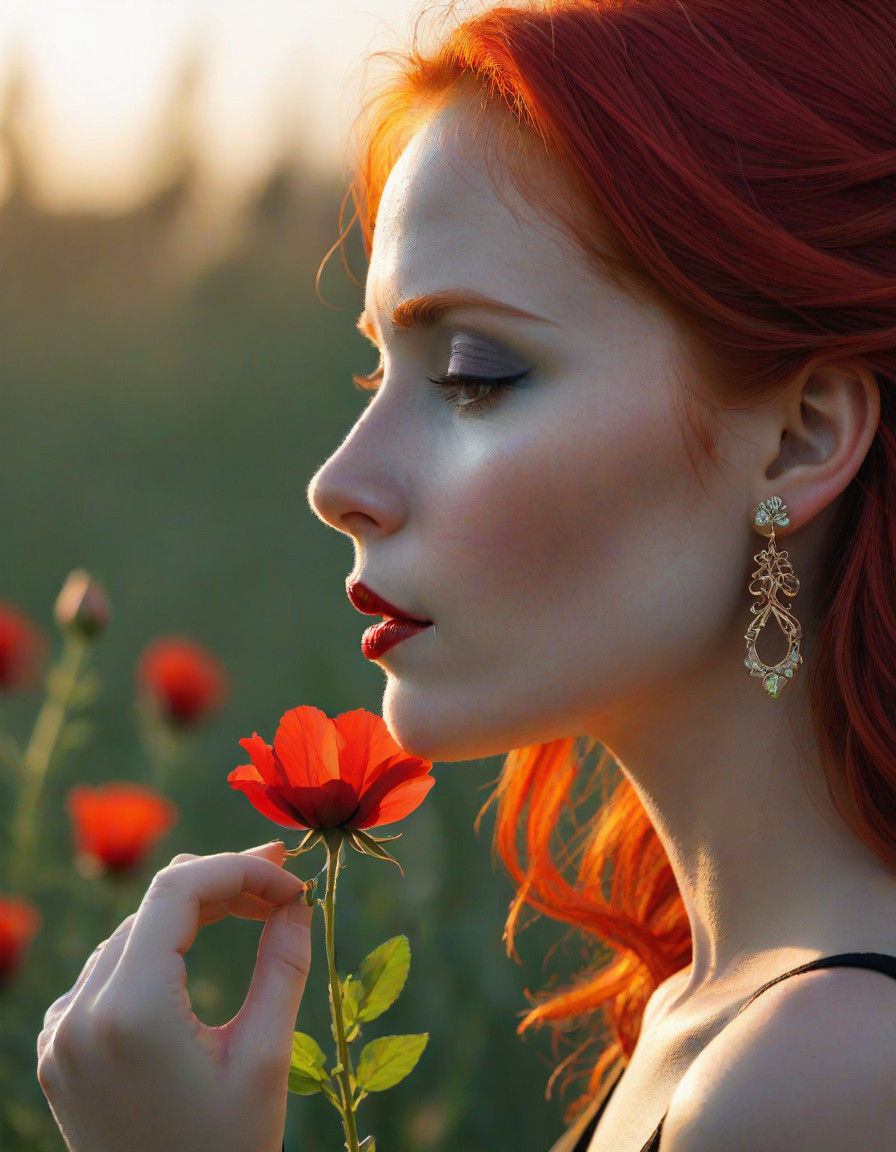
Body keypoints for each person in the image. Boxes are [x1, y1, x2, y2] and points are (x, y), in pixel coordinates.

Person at [37, 0, 896, 1149]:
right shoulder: (710, 1016)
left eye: (472, 373)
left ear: (795, 439)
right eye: (375, 370)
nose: (339, 480)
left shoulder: (824, 1073)